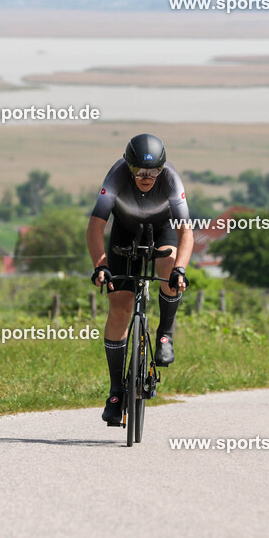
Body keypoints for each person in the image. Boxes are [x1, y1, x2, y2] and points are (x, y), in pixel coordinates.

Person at [87, 133, 193, 425]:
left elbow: (186, 232)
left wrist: (180, 269)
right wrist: (101, 265)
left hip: (163, 230)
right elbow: (96, 226)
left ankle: (165, 334)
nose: (147, 177)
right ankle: (116, 391)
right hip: (124, 233)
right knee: (119, 307)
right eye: (139, 171)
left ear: (162, 168)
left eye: (153, 172)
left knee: (169, 267)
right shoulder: (116, 176)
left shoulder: (171, 179)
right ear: (128, 165)